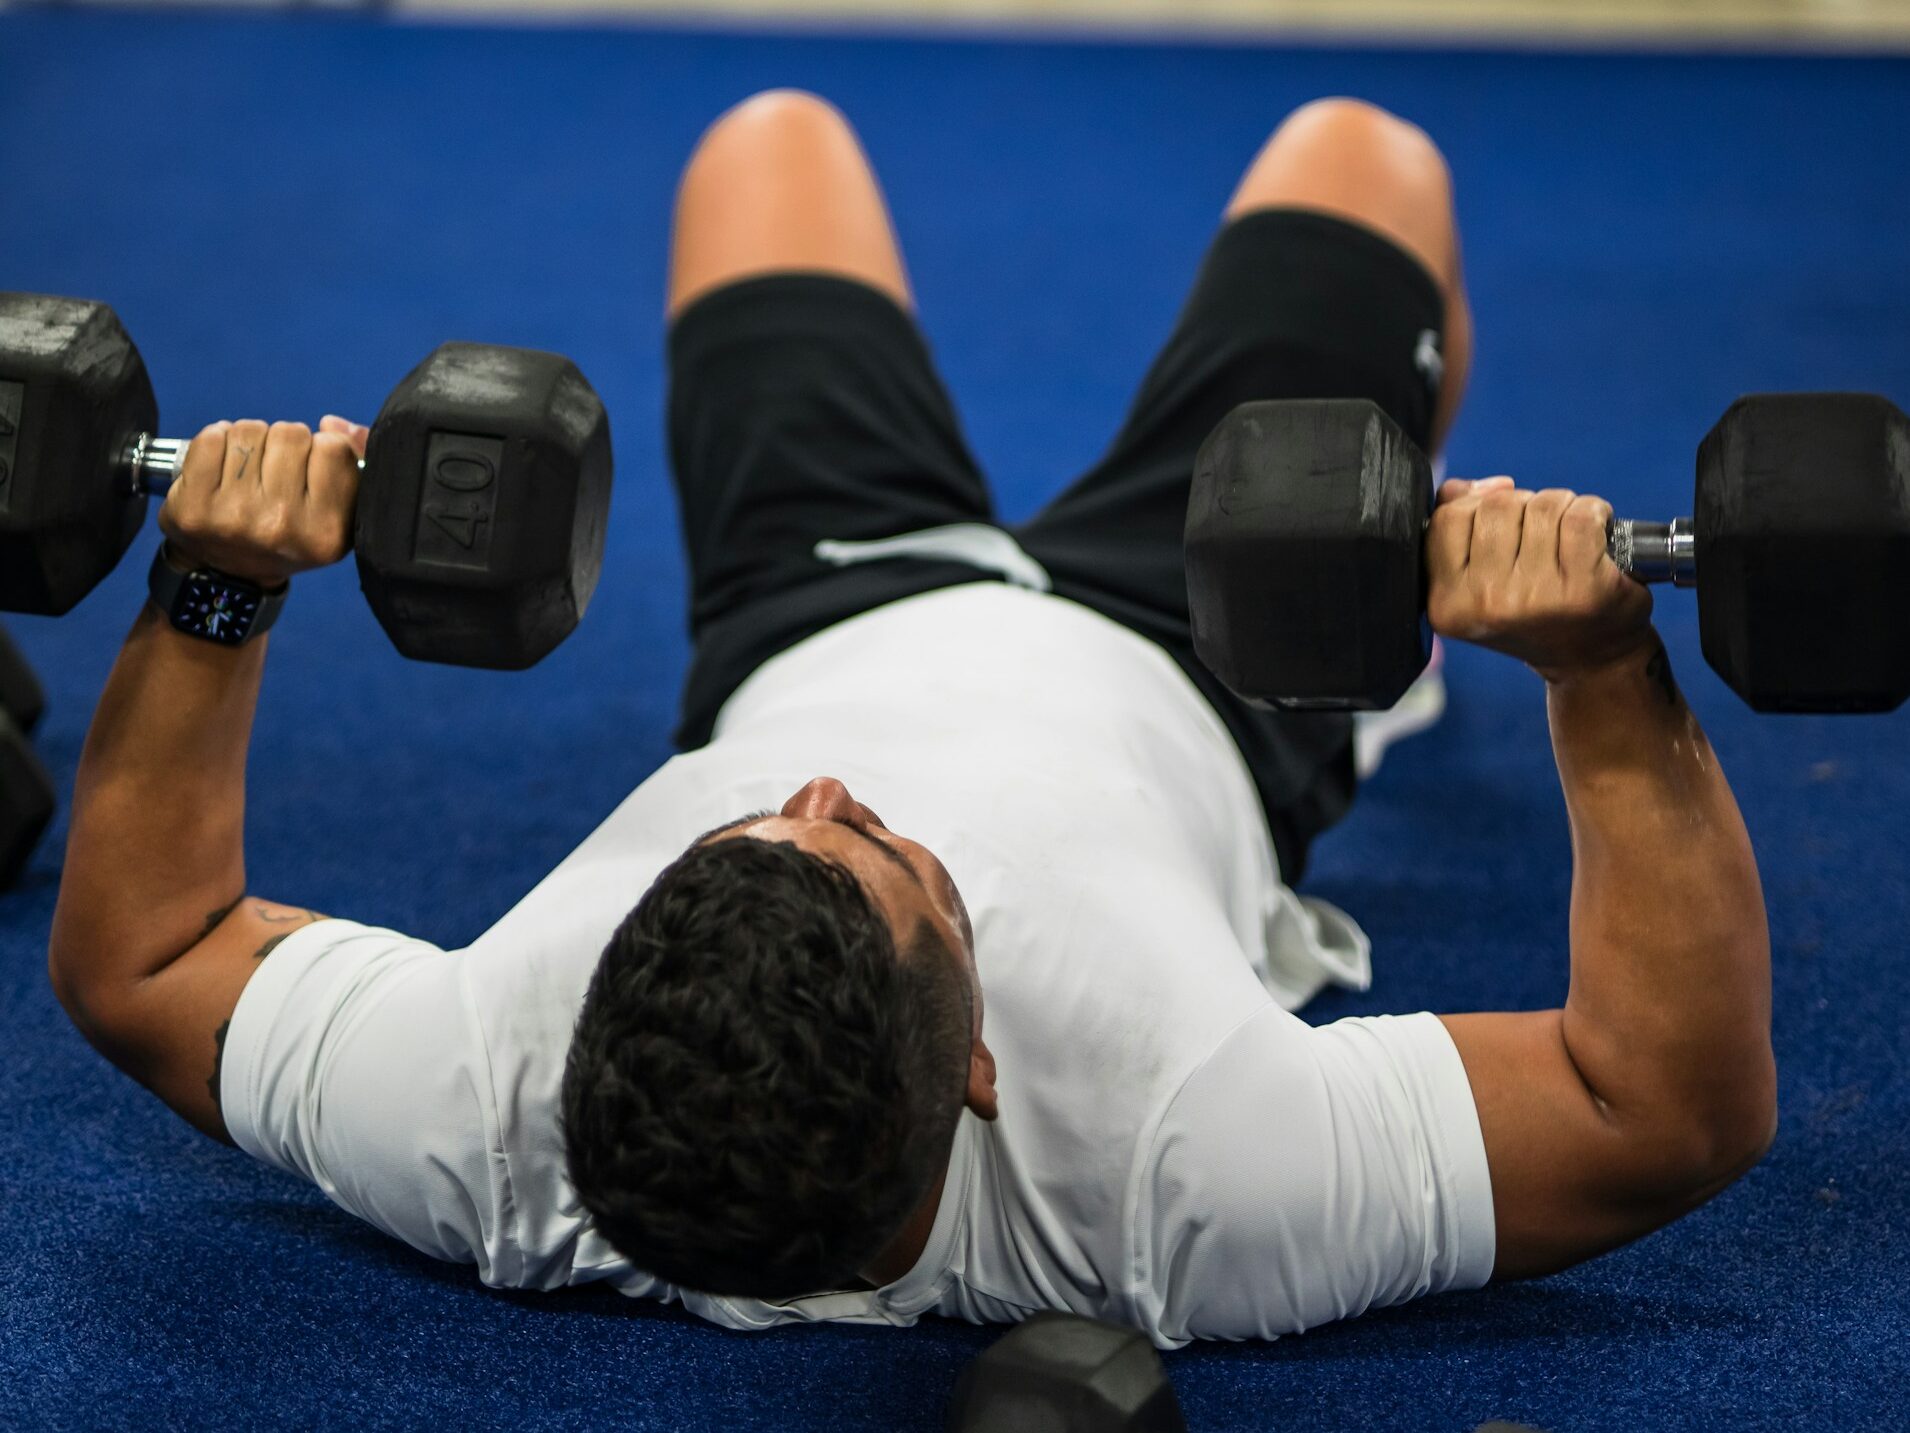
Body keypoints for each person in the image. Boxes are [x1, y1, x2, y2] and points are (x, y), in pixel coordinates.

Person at [47, 92, 1774, 1347]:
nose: (832, 789)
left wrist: (217, 583)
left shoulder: (487, 1096)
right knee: (1362, 157)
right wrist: (1599, 673)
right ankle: (1382, 555)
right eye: (884, 848)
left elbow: (143, 955)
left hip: (819, 597)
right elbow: (1665, 1108)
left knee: (764, 144)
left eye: (761, 827)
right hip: (1212, 644)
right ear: (976, 1072)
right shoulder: (1184, 1169)